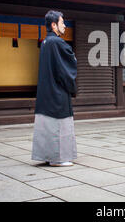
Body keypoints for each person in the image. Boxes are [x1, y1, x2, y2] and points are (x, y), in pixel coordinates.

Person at [31, 10, 78, 167]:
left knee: (46, 126)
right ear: (53, 25)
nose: (64, 25)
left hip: (46, 91)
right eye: (62, 22)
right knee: (59, 125)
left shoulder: (45, 42)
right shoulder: (57, 43)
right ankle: (58, 158)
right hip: (57, 91)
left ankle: (46, 155)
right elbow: (67, 66)